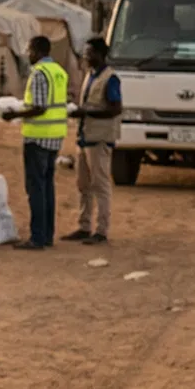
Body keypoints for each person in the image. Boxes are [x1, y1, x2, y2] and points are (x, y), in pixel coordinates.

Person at [8, 35, 70, 250]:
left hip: (38, 137)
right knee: (47, 187)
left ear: (38, 50)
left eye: (30, 50)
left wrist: (14, 113)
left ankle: (37, 236)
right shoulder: (59, 72)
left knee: (35, 188)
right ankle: (47, 235)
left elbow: (40, 107)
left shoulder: (39, 74)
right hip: (55, 136)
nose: (28, 54)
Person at [63, 36, 122, 245]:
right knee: (84, 185)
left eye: (89, 53)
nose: (86, 57)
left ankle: (102, 230)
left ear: (100, 54)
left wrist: (86, 111)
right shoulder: (90, 75)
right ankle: (84, 226)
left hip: (99, 139)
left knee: (101, 186)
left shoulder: (110, 78)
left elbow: (115, 109)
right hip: (85, 137)